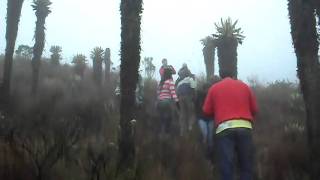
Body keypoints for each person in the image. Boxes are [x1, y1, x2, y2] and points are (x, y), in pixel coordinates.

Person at [202, 71, 258, 180]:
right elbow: (255, 109)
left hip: (224, 128)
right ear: (234, 76)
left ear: (221, 76)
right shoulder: (244, 86)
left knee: (226, 166)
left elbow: (206, 111)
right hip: (245, 127)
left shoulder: (214, 88)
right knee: (246, 166)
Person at [157, 68, 179, 136]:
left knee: (161, 118)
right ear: (170, 74)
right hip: (167, 102)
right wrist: (177, 102)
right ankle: (167, 134)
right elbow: (173, 93)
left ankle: (161, 133)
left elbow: (157, 93)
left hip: (160, 102)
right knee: (169, 118)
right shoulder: (170, 81)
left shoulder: (161, 82)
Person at [176, 64, 196, 136]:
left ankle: (182, 131)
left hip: (180, 98)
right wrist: (194, 98)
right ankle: (190, 126)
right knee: (191, 112)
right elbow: (193, 87)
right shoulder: (190, 79)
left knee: (183, 114)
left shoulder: (179, 82)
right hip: (188, 97)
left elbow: (177, 92)